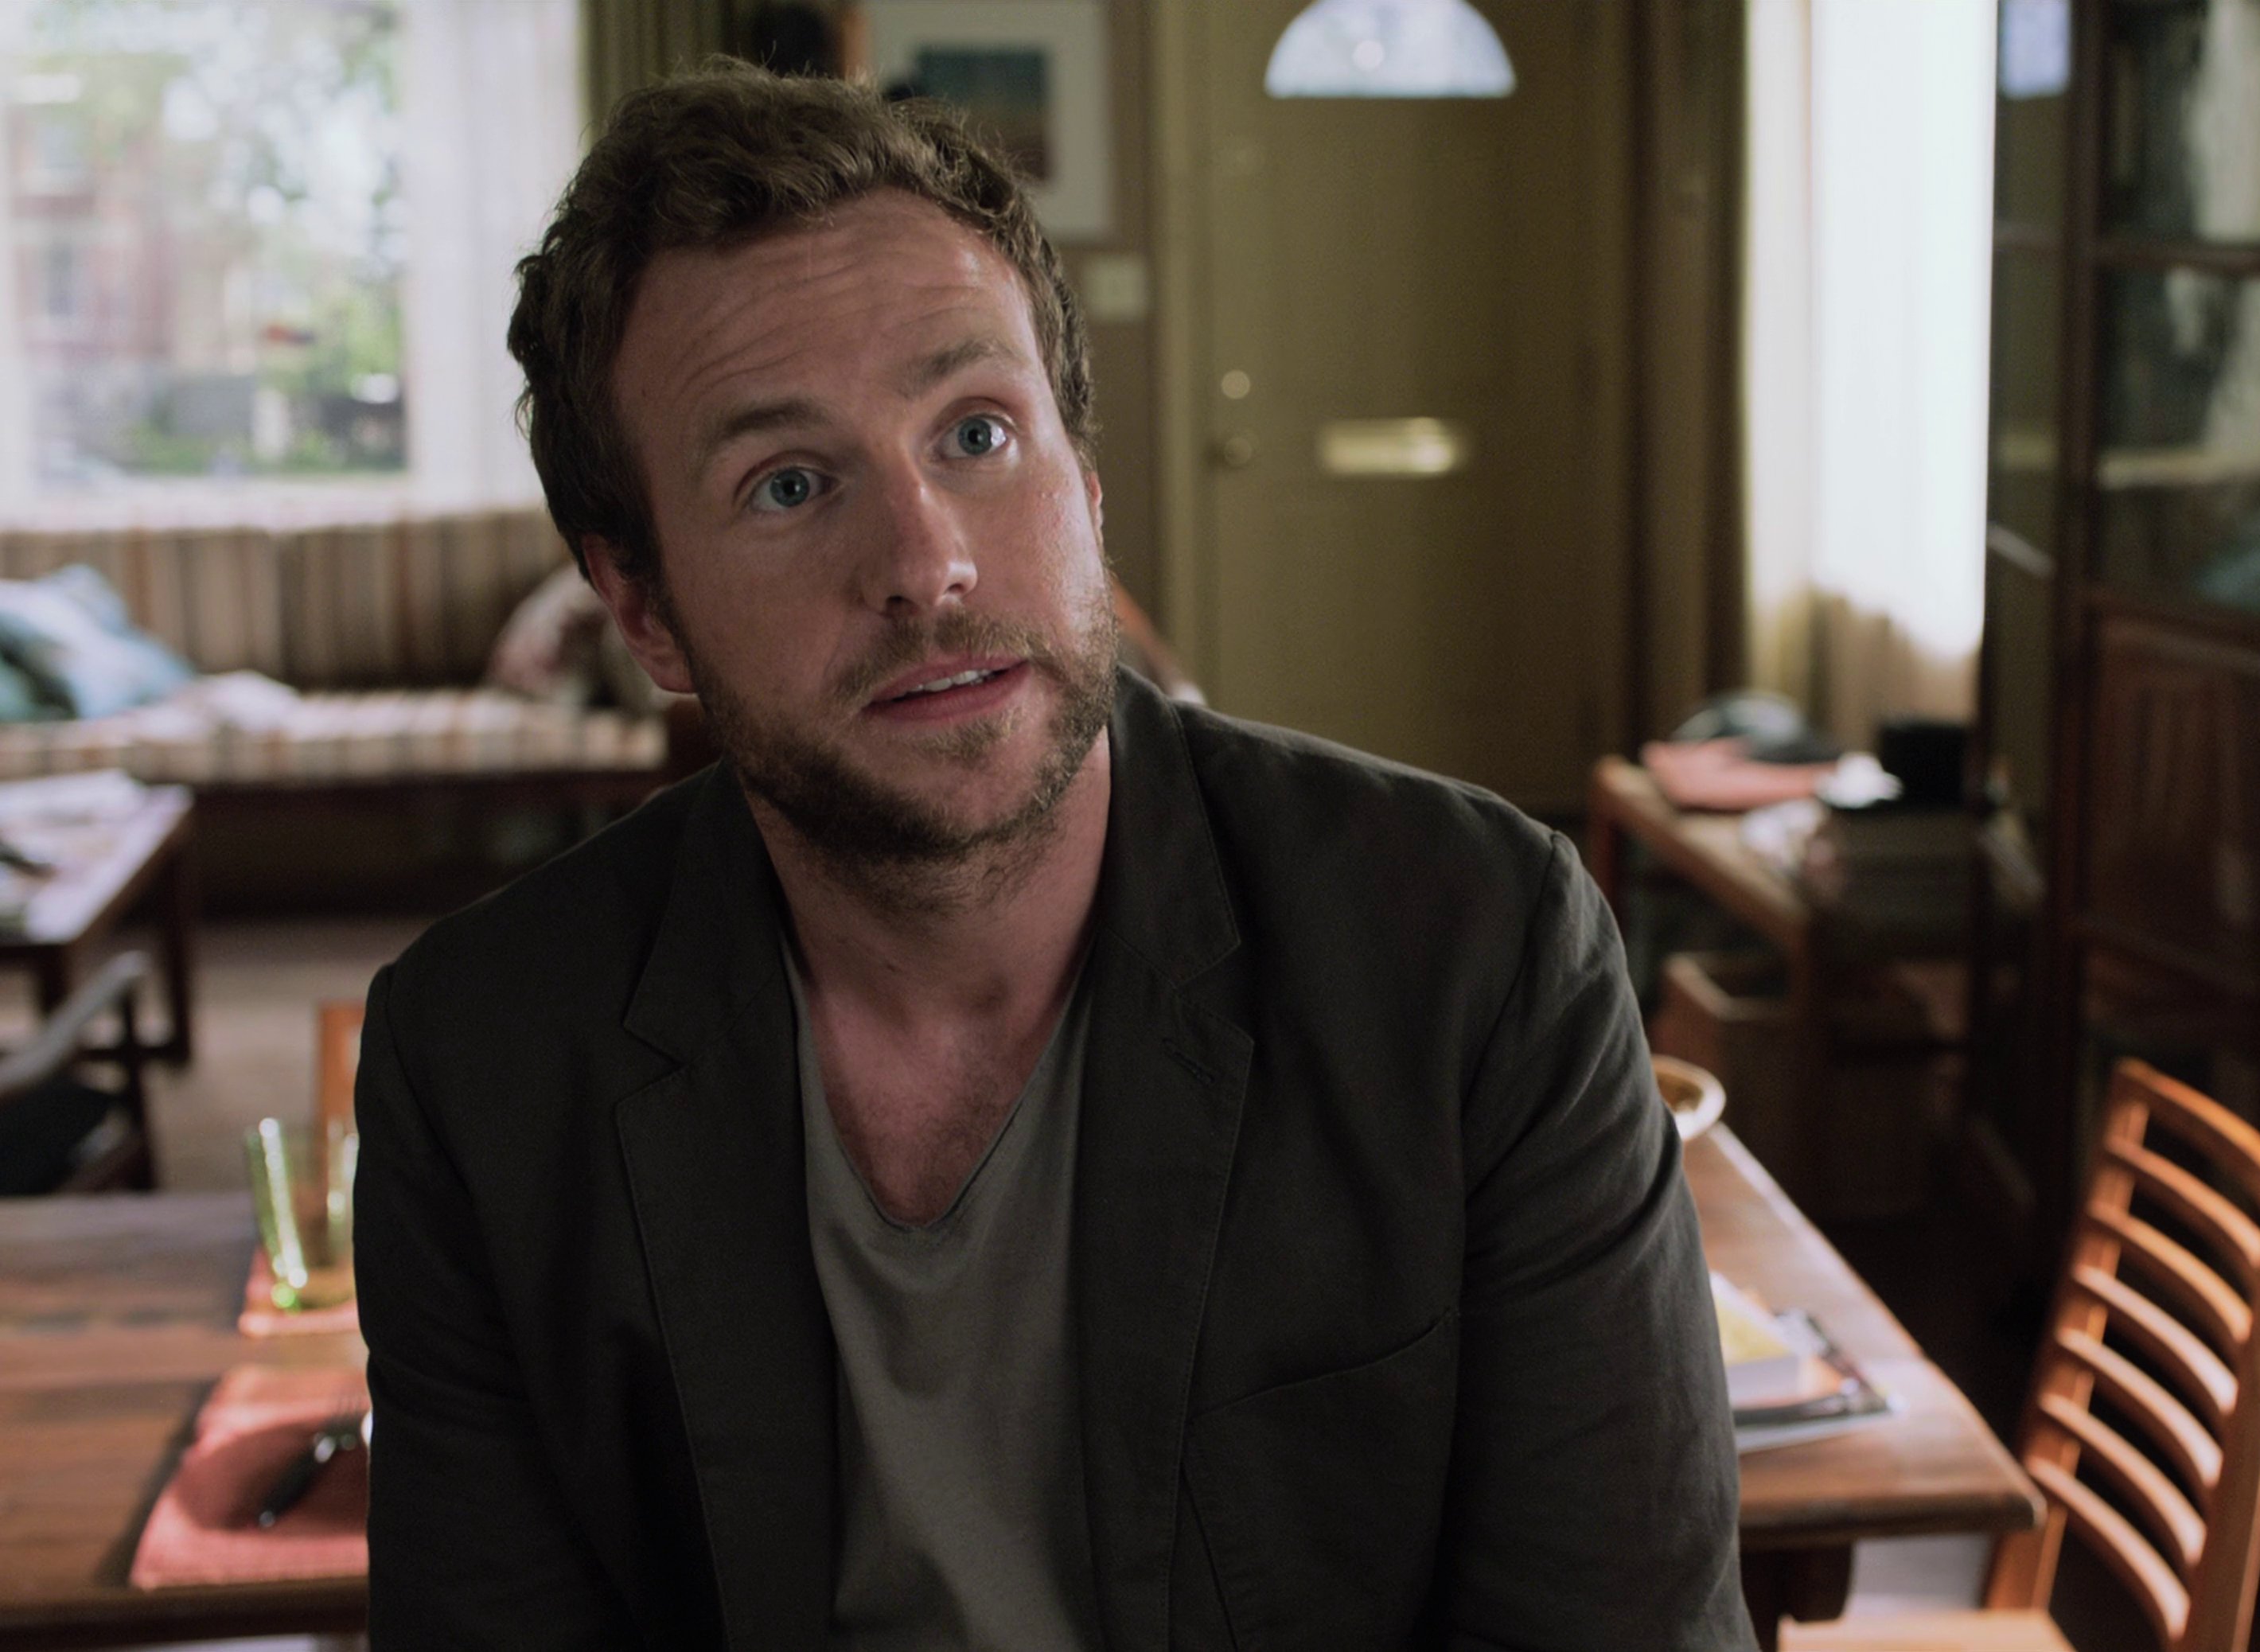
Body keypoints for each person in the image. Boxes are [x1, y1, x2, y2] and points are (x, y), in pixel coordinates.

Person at [353, 63, 1750, 1650]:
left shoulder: (1476, 954)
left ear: (1085, 482)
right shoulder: (481, 1061)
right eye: (789, 484)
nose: (927, 562)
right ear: (644, 609)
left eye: (977, 433)